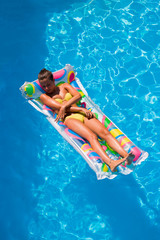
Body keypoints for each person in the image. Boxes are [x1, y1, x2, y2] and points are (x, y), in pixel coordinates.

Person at [38, 68, 135, 172]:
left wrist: (65, 106)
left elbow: (78, 96)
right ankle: (110, 162)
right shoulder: (44, 96)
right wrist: (80, 108)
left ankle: (126, 156)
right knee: (92, 136)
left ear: (53, 80)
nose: (46, 88)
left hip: (82, 113)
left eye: (48, 84)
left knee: (105, 133)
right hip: (69, 118)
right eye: (43, 86)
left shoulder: (65, 86)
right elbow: (59, 106)